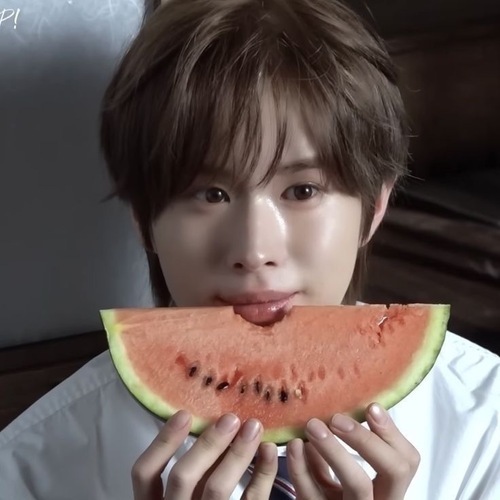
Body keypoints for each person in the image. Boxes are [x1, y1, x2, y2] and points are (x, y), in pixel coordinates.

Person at [1, 0, 499, 498]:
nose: (255, 250)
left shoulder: (486, 429)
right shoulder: (28, 471)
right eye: (210, 194)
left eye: (302, 190)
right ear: (144, 219)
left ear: (374, 207)